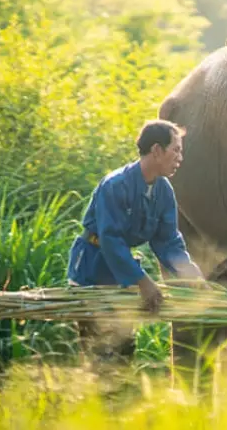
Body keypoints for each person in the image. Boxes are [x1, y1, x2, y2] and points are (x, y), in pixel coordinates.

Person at [67, 119, 204, 354]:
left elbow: (168, 240)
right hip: (94, 267)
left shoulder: (163, 191)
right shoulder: (115, 185)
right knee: (99, 348)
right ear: (157, 151)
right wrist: (142, 281)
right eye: (177, 150)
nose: (180, 158)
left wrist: (189, 272)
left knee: (123, 346)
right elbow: (111, 241)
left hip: (122, 273)